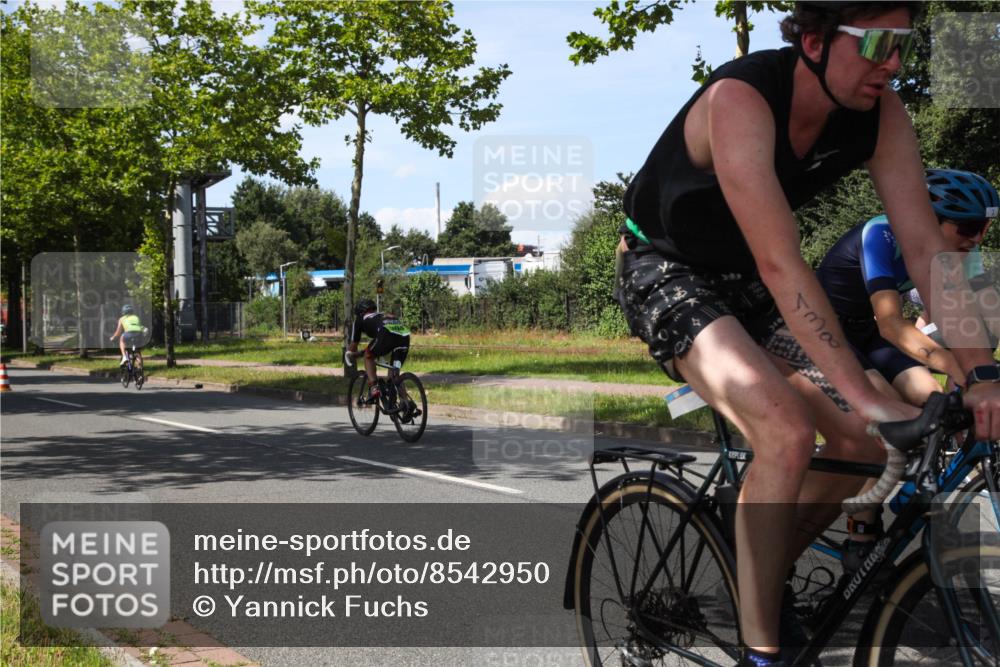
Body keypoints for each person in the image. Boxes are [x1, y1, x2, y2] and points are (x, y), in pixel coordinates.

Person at [616, 2, 1000, 665]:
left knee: (862, 442)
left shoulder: (882, 116)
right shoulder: (740, 98)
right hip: (665, 268)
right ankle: (762, 649)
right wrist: (871, 393)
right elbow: (781, 262)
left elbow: (925, 248)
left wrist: (983, 371)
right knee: (786, 430)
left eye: (904, 47)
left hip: (745, 280)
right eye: (878, 43)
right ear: (815, 40)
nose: (894, 65)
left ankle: (752, 570)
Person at [818, 168, 1000, 406]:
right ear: (929, 219)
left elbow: (979, 310)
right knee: (889, 405)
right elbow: (890, 323)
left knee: (934, 397)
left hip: (865, 332)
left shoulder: (964, 251)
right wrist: (957, 366)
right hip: (824, 331)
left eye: (984, 227)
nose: (977, 239)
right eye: (969, 227)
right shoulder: (881, 233)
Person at [344, 298, 415, 412]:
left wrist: (350, 354)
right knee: (394, 374)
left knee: (368, 354)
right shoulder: (382, 315)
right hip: (404, 336)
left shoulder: (360, 319)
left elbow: (353, 345)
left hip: (385, 334)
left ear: (360, 312)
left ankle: (374, 387)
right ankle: (405, 403)